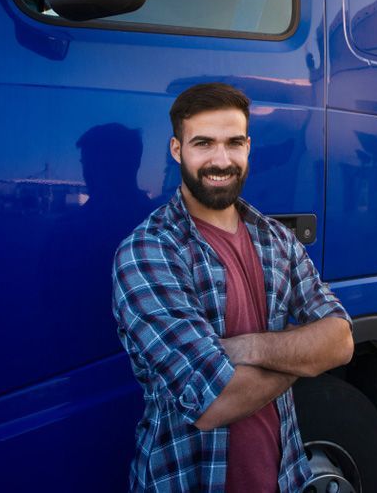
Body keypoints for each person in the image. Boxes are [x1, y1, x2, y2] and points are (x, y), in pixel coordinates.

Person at [113, 82, 353, 492]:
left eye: (233, 143)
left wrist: (252, 348)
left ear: (248, 147)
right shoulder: (148, 251)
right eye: (203, 143)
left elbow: (342, 341)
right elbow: (213, 402)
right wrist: (304, 354)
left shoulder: (275, 239)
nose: (221, 160)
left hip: (285, 479)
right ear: (177, 150)